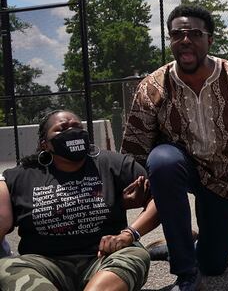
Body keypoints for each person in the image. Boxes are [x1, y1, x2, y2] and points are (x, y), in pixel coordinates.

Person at [122, 4, 228, 291]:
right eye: (177, 35)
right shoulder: (153, 86)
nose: (185, 40)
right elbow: (136, 148)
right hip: (179, 166)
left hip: (224, 176)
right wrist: (132, 189)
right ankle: (186, 272)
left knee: (214, 265)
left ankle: (180, 243)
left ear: (209, 40)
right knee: (162, 161)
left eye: (194, 34)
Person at [0, 110, 159, 291]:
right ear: (45, 144)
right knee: (6, 267)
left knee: (135, 253)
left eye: (77, 126)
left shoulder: (113, 163)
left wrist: (129, 234)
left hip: (103, 258)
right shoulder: (20, 176)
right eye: (63, 128)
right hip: (44, 264)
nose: (73, 131)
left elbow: (159, 200)